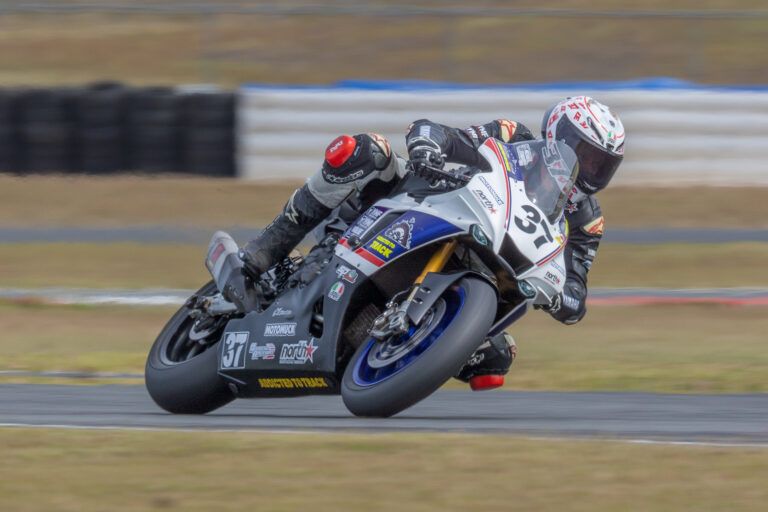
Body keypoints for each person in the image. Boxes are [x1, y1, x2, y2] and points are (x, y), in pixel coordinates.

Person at [225, 96, 625, 390]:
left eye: (602, 165)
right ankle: (262, 253)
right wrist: (428, 147)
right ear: (558, 134)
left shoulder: (587, 222)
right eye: (586, 155)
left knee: (496, 358)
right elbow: (445, 134)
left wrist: (560, 298)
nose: (591, 170)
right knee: (364, 151)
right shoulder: (512, 136)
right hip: (428, 207)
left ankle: (406, 348)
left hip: (483, 271)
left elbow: (576, 291)